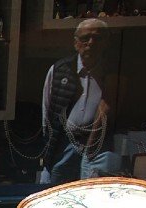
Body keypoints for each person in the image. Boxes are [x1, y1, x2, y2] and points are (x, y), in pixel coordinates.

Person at [41, 18, 114, 184]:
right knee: (57, 187)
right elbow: (47, 111)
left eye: (97, 38)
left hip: (98, 143)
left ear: (106, 42)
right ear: (75, 43)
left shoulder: (112, 72)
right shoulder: (60, 69)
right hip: (64, 142)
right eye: (85, 38)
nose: (91, 43)